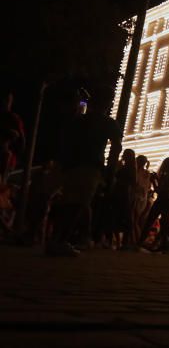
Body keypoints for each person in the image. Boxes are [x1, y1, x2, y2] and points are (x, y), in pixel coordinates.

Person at [46, 86, 122, 256]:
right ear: (106, 104)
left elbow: (65, 142)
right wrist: (109, 171)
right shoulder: (108, 123)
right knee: (77, 204)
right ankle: (61, 241)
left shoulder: (78, 121)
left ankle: (59, 239)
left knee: (70, 203)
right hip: (90, 166)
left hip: (72, 166)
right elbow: (116, 147)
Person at [141, 156, 169, 252]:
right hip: (167, 200)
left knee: (153, 220)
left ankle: (140, 241)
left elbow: (159, 190)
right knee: (165, 223)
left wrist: (154, 181)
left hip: (164, 199)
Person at [110, 149, 137, 250]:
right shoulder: (131, 168)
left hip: (123, 193)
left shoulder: (126, 168)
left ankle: (122, 242)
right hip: (123, 194)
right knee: (124, 218)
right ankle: (124, 242)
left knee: (122, 217)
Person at [0, 88, 25, 184]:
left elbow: (22, 141)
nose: (4, 103)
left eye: (7, 100)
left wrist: (16, 157)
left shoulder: (14, 118)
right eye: (3, 100)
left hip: (7, 160)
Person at [132, 155, 152, 245]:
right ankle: (136, 240)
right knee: (135, 220)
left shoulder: (138, 172)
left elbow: (137, 184)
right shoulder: (147, 173)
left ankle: (138, 241)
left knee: (134, 220)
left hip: (137, 198)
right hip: (142, 198)